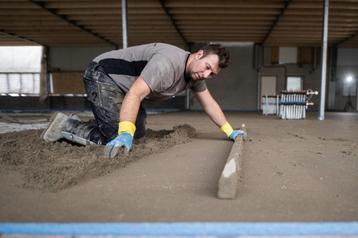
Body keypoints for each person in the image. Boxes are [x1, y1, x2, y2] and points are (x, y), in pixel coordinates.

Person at [41, 43, 246, 158]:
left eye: (211, 74)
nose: (206, 74)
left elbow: (209, 103)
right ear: (199, 54)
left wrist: (229, 131)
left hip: (127, 88)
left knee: (136, 133)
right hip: (104, 75)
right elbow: (136, 94)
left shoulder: (193, 75)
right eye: (207, 66)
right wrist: (123, 133)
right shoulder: (168, 64)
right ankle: (65, 125)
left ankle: (102, 121)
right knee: (116, 137)